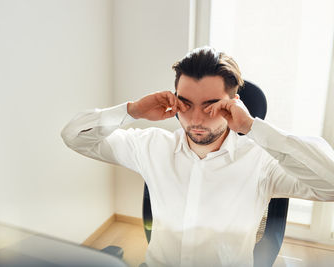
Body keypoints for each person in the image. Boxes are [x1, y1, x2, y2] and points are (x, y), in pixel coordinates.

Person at [60, 46, 334, 267]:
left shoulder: (261, 161)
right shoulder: (151, 146)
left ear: (233, 102)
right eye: (186, 105)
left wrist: (253, 127)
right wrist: (132, 111)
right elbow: (74, 136)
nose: (195, 119)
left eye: (210, 106)